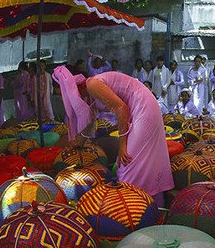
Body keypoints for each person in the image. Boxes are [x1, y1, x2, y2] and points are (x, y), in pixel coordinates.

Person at [53, 66, 174, 206]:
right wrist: (78, 143)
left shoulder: (93, 84)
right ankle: (152, 207)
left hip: (143, 107)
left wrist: (122, 144)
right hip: (141, 108)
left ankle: (138, 207)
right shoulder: (89, 94)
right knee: (144, 163)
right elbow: (90, 120)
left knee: (127, 163)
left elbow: (121, 109)